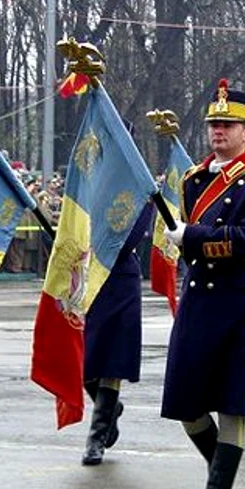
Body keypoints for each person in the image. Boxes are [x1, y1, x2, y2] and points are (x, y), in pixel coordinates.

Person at [161, 79, 245, 489]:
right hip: (200, 297)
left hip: (242, 299)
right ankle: (224, 469)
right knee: (186, 404)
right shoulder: (194, 179)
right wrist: (187, 241)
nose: (219, 131)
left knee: (233, 405)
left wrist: (191, 237)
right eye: (214, 123)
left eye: (229, 124)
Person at [81, 199, 154, 465]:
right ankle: (111, 409)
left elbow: (128, 239)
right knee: (84, 361)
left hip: (119, 280)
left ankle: (97, 438)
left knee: (112, 361)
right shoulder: (88, 189)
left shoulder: (140, 195)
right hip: (86, 275)